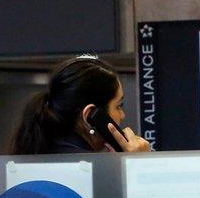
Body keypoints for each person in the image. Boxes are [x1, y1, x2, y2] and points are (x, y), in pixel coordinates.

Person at [8, 55, 152, 154]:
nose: (122, 115)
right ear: (90, 115)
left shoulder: (31, 158)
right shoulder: (94, 172)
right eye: (118, 106)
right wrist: (139, 165)